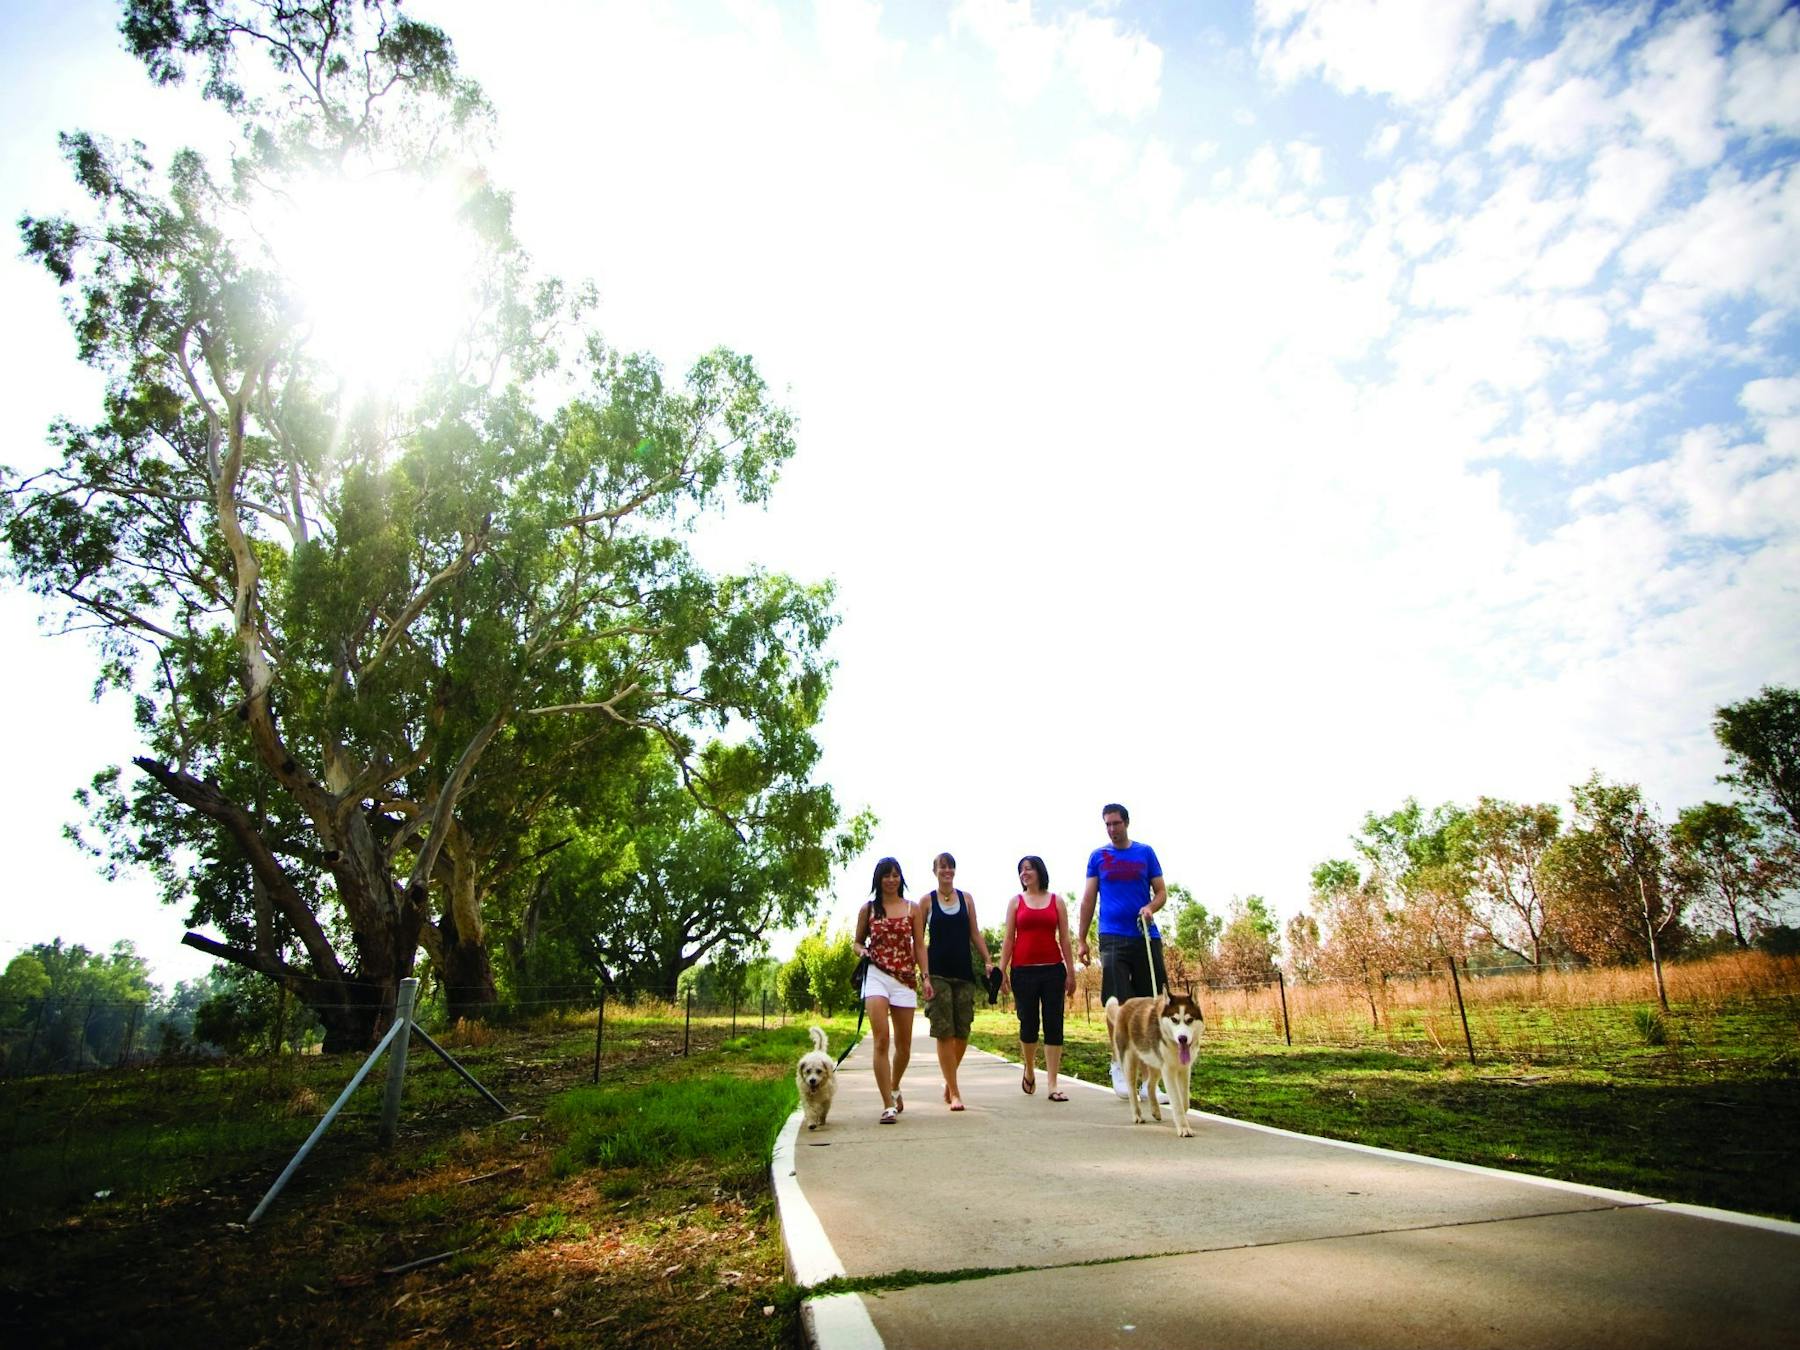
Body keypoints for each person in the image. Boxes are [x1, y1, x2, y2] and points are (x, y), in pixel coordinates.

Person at [1075, 803, 1169, 1099]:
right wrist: (1081, 939)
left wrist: (1151, 907)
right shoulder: (1098, 857)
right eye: (1108, 825)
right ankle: (1117, 1065)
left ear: (1126, 823)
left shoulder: (1145, 853)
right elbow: (1089, 899)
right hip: (1112, 937)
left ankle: (1149, 1081)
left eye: (1116, 823)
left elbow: (1161, 892)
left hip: (1144, 935)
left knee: (1153, 1007)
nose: (1112, 829)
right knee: (1117, 1004)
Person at [917, 852, 996, 1112]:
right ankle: (955, 1092)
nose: (947, 871)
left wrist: (987, 959)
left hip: (963, 973)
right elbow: (920, 942)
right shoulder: (926, 902)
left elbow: (974, 932)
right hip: (938, 973)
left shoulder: (966, 899)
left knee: (962, 1032)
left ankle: (948, 1082)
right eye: (942, 867)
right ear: (935, 871)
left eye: (950, 866)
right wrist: (925, 975)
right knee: (944, 1031)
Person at [852, 856, 928, 1124]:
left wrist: (926, 978)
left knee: (904, 1047)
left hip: (905, 978)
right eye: (886, 875)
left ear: (901, 878)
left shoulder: (913, 908)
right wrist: (862, 950)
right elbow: (857, 942)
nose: (892, 879)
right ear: (878, 879)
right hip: (876, 975)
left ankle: (895, 1086)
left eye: (896, 874)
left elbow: (919, 945)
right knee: (881, 1039)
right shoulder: (869, 909)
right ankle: (887, 1104)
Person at [999, 855, 1078, 1102]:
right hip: (1023, 971)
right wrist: (1001, 970)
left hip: (1053, 970)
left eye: (1029, 868)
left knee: (1054, 1024)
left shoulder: (1056, 901)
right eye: (1021, 870)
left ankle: (1053, 1084)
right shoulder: (1015, 903)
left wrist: (1071, 971)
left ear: (1039, 872)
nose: (1024, 873)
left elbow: (1064, 938)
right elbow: (1009, 939)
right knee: (1028, 1024)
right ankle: (1030, 1069)